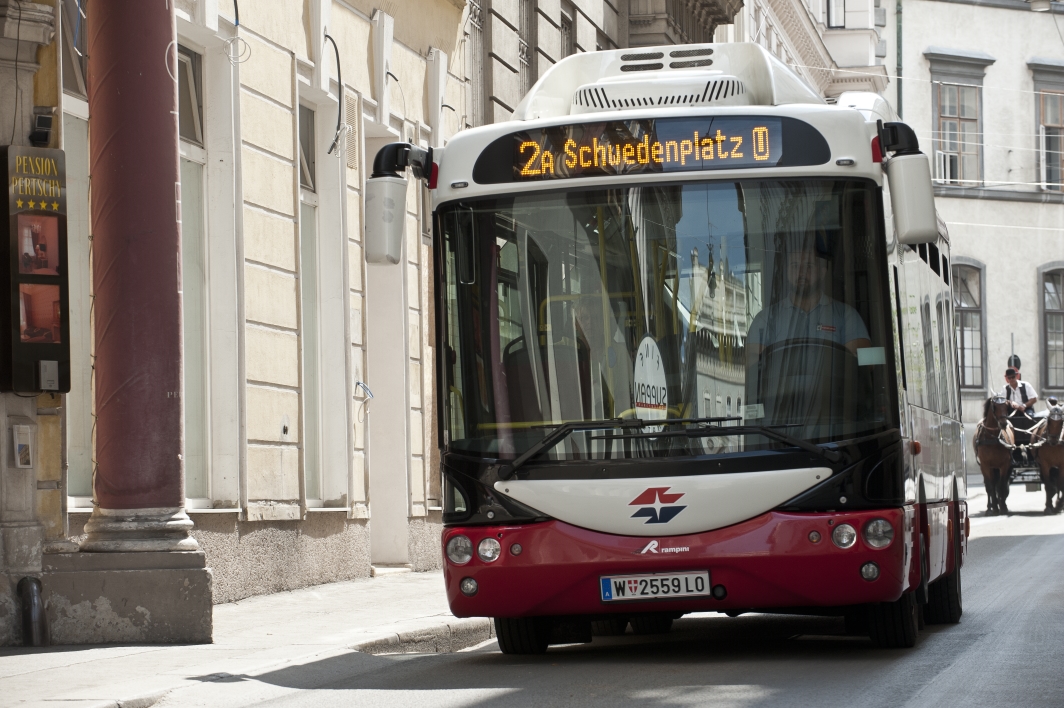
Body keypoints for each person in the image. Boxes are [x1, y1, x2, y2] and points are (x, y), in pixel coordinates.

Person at [746, 247, 871, 358]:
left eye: (808, 266)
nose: (801, 272)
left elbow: (868, 362)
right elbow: (752, 366)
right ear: (787, 272)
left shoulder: (845, 315)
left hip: (831, 385)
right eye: (795, 266)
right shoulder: (766, 319)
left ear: (822, 272)